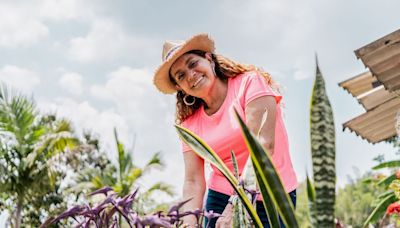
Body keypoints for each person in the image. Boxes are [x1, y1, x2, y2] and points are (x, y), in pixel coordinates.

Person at [153, 33, 298, 228]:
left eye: (192, 63)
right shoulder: (189, 125)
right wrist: (189, 222)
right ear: (180, 88)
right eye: (181, 75)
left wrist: (235, 208)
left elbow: (264, 147)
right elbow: (193, 180)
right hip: (220, 198)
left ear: (209, 59)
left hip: (272, 196)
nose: (190, 74)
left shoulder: (250, 83)